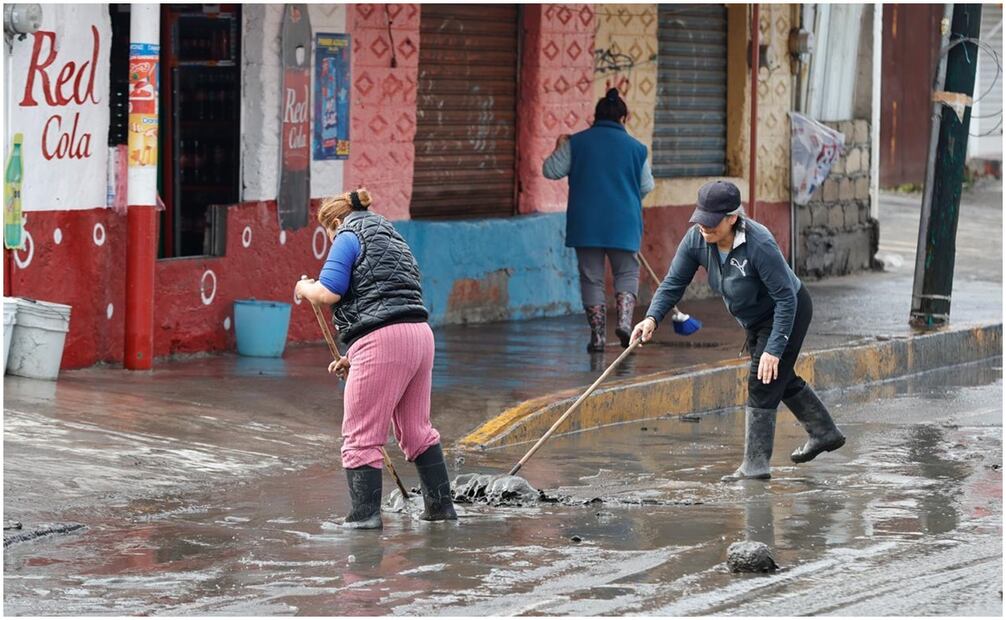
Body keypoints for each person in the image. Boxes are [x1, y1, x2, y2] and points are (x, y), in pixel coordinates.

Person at [631, 180, 845, 481]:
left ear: (732, 217)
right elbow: (673, 283)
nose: (704, 227)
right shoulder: (696, 239)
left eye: (711, 221)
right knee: (776, 376)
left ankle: (755, 466)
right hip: (755, 318)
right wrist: (651, 319)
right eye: (700, 219)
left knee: (764, 378)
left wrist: (774, 348)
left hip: (787, 310)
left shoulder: (759, 244)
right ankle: (824, 432)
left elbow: (785, 298)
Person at [294, 188, 457, 528]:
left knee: (361, 436)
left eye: (328, 233)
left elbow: (329, 292)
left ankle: (364, 517)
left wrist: (304, 288)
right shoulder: (391, 234)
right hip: (418, 336)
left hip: (382, 341)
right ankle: (441, 510)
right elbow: (387, 299)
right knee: (417, 431)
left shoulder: (347, 234)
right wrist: (355, 356)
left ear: (334, 222)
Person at [543, 87, 655, 352]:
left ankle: (598, 337)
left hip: (587, 223)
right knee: (626, 272)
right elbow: (646, 186)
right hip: (624, 222)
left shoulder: (577, 142)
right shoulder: (636, 148)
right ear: (624, 118)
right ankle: (626, 325)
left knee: (591, 278)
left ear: (595, 116)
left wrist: (559, 146)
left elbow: (550, 170)